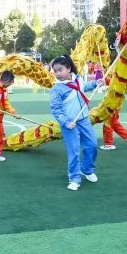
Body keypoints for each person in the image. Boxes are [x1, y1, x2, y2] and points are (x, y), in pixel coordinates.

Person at [50, 54, 103, 191]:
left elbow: (84, 87)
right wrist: (65, 122)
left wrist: (96, 83)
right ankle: (74, 178)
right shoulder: (57, 88)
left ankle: (87, 169)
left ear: (68, 69)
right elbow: (56, 109)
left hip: (84, 120)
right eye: (55, 71)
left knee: (92, 145)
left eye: (60, 70)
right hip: (69, 124)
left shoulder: (78, 79)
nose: (57, 73)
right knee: (73, 151)